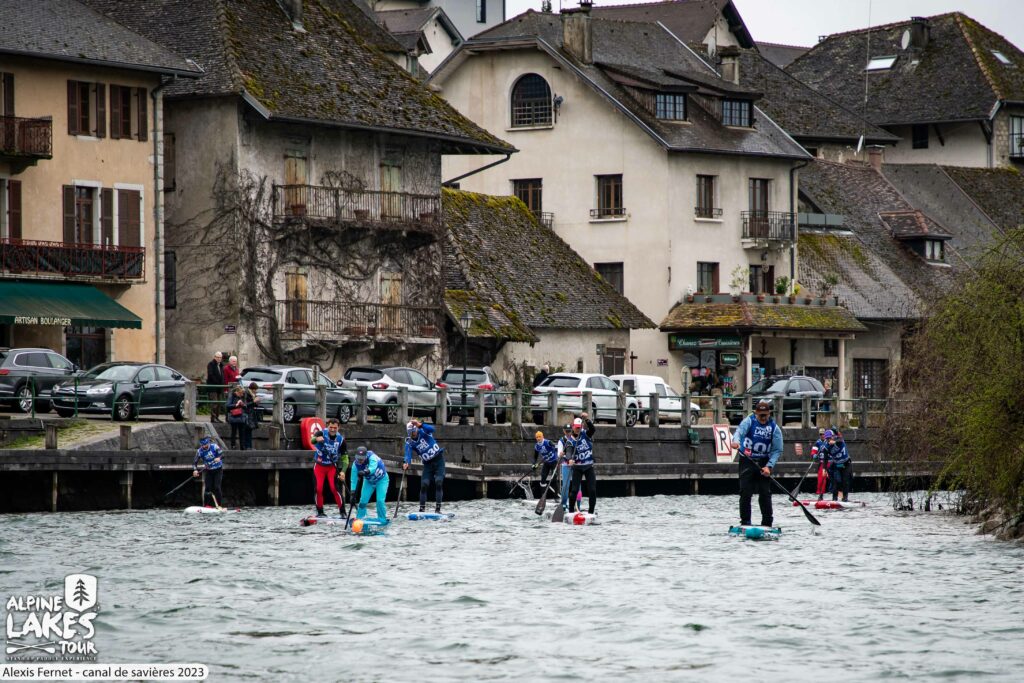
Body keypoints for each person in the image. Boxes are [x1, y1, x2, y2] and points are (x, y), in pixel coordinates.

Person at [731, 399, 783, 527]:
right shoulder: (749, 421)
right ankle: (745, 522)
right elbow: (739, 432)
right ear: (756, 413)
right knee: (745, 492)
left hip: (764, 462)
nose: (763, 418)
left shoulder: (774, 428)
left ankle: (767, 523)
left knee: (765, 493)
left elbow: (777, 450)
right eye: (761, 416)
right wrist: (736, 441)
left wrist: (769, 466)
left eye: (765, 415)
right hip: (747, 460)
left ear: (769, 414)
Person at [403, 419, 446, 513]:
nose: (414, 434)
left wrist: (420, 424)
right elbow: (408, 454)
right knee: (424, 485)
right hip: (427, 464)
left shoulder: (424, 431)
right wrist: (406, 462)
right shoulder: (409, 442)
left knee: (439, 482)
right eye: (412, 433)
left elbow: (432, 429)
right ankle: (422, 509)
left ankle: (438, 509)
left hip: (438, 460)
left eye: (414, 431)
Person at [313, 418, 348, 517]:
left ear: (338, 427)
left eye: (335, 428)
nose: (332, 430)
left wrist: (343, 471)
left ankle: (343, 512)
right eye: (331, 427)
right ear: (327, 426)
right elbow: (312, 440)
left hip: (331, 467)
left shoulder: (341, 440)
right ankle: (320, 512)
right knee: (319, 489)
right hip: (319, 466)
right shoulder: (321, 433)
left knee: (334, 488)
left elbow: (345, 458)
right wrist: (316, 439)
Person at [567, 413, 597, 514]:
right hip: (577, 468)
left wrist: (587, 419)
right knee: (574, 490)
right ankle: (571, 511)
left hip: (589, 466)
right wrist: (569, 459)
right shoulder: (570, 441)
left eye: (579, 427)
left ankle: (591, 512)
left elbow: (593, 429)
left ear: (581, 426)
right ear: (573, 427)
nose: (578, 429)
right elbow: (569, 452)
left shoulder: (586, 434)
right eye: (576, 427)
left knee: (592, 490)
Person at [350, 446, 389, 520]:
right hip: (369, 482)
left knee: (380, 501)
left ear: (366, 456)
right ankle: (360, 518)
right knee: (362, 502)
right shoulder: (355, 465)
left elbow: (372, 468)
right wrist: (352, 494)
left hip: (381, 480)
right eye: (358, 458)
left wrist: (365, 472)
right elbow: (353, 480)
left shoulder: (372, 457)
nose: (360, 461)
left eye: (362, 459)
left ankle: (382, 518)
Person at [192, 436, 225, 507]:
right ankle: (206, 505)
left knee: (217, 487)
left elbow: (223, 455)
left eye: (205, 445)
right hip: (209, 470)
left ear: (208, 443)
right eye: (203, 445)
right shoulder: (199, 451)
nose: (204, 446)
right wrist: (195, 470)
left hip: (218, 470)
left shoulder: (214, 447)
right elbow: (195, 462)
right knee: (207, 488)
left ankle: (219, 505)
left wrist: (219, 458)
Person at [825, 430, 851, 502]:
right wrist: (824, 468)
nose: (829, 440)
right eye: (827, 439)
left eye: (830, 438)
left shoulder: (839, 439)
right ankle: (834, 498)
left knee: (845, 481)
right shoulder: (826, 446)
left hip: (846, 464)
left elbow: (840, 440)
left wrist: (834, 442)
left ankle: (845, 498)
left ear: (833, 436)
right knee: (835, 481)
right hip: (837, 465)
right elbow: (825, 458)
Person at [532, 431, 559, 497]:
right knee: (543, 478)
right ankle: (543, 496)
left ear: (543, 437)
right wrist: (534, 464)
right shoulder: (537, 446)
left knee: (554, 478)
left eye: (540, 437)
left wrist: (555, 449)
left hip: (554, 462)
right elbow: (535, 457)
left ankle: (556, 496)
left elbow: (556, 445)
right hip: (546, 463)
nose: (538, 438)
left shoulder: (548, 442)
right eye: (537, 437)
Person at [557, 423, 574, 510]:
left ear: (572, 430)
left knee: (578, 486)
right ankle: (563, 504)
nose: (568, 433)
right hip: (566, 465)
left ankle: (577, 505)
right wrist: (561, 454)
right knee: (565, 486)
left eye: (569, 431)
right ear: (564, 431)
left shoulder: (575, 439)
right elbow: (559, 454)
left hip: (575, 465)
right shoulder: (561, 441)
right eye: (566, 431)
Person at [812, 428, 830, 501]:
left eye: (823, 434)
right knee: (821, 479)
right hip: (822, 463)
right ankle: (820, 495)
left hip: (830, 462)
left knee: (835, 479)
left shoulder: (828, 441)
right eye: (821, 434)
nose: (822, 435)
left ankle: (838, 496)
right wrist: (814, 455)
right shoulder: (817, 443)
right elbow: (813, 451)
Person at [205, 351, 224, 423]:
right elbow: (211, 375)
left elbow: (222, 375)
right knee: (214, 402)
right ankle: (213, 417)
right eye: (217, 357)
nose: (219, 359)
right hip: (213, 387)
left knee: (219, 403)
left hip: (219, 387)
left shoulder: (221, 365)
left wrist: (222, 383)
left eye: (220, 357)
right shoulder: (211, 364)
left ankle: (217, 417)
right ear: (214, 357)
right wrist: (217, 382)